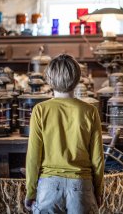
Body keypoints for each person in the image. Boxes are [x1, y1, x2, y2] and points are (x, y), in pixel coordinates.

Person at [24, 54, 104, 214]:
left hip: (48, 187)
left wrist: (30, 192)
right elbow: (98, 158)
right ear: (77, 78)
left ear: (49, 79)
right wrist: (98, 191)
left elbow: (33, 156)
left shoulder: (40, 110)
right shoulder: (90, 111)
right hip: (81, 185)